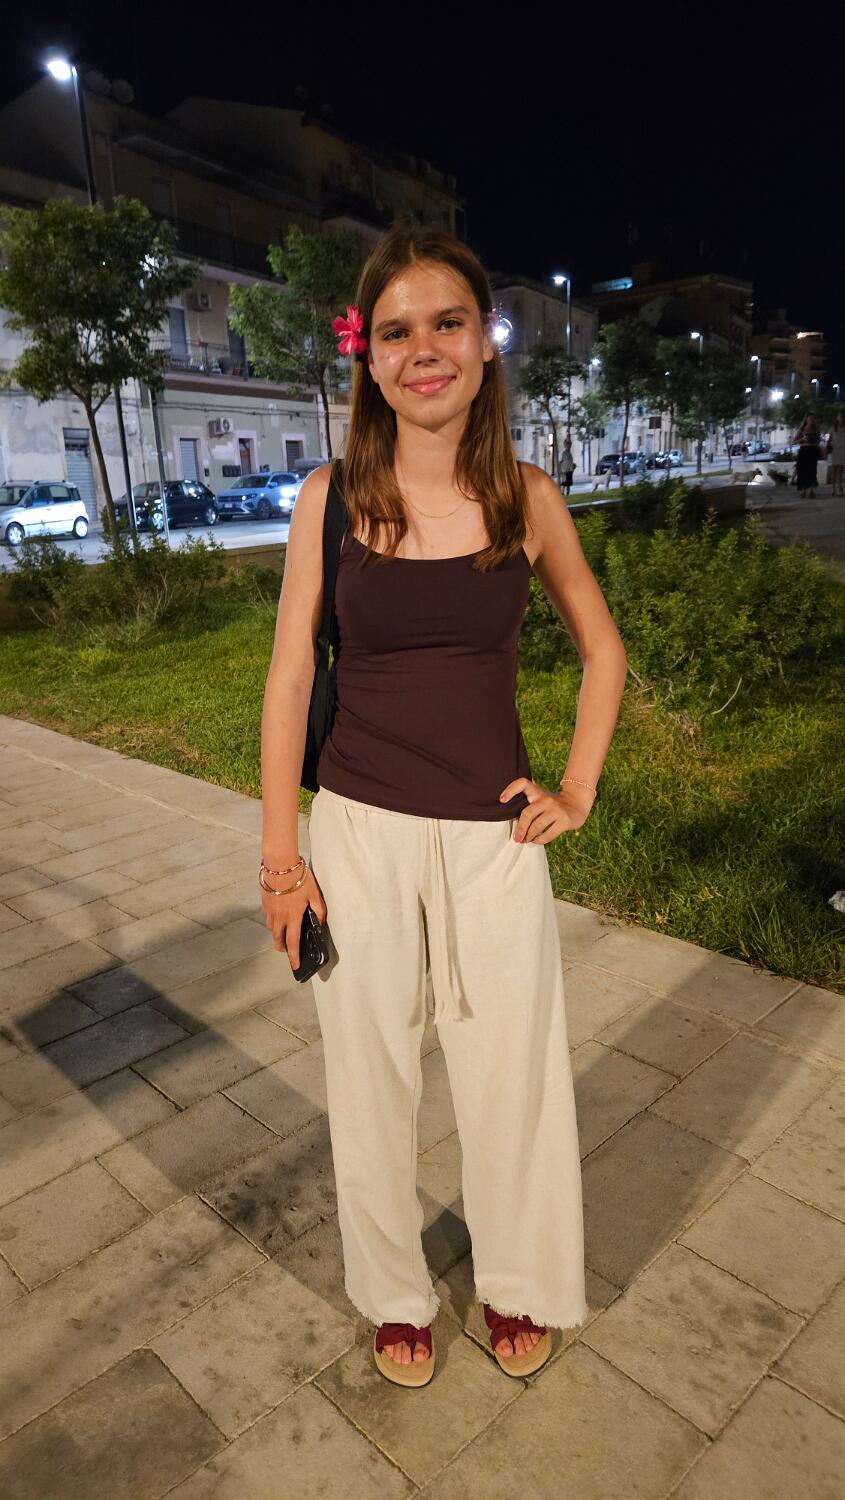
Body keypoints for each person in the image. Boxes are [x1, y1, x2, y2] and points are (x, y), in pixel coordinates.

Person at [258, 226, 627, 1389]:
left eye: (447, 323)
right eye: (397, 331)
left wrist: (576, 788)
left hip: (492, 838)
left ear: (484, 343)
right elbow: (286, 676)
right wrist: (281, 861)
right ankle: (392, 1297)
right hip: (356, 832)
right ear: (368, 358)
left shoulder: (526, 499)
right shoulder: (328, 499)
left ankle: (517, 1282)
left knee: (510, 1076)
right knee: (369, 1080)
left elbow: (602, 651)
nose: (424, 350)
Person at [794, 412, 821, 497]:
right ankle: (803, 490)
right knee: (802, 470)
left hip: (813, 450)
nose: (811, 420)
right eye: (809, 418)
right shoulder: (802, 429)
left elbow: (819, 440)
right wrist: (802, 439)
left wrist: (815, 442)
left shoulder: (816, 429)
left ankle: (811, 490)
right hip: (803, 450)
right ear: (806, 419)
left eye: (813, 418)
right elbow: (795, 441)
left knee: (812, 470)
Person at [828, 410, 845, 497]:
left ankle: (840, 486)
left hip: (843, 450)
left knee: (841, 470)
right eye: (839, 417)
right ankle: (833, 488)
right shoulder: (833, 428)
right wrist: (829, 447)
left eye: (842, 417)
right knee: (834, 469)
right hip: (835, 450)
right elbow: (829, 440)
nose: (841, 419)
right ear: (837, 418)